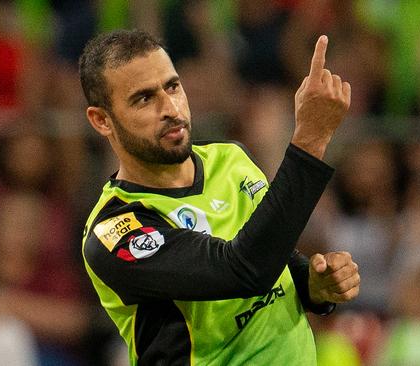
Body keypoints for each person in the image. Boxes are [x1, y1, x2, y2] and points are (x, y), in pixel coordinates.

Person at [79, 29, 359, 365]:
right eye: (143, 98)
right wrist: (311, 141)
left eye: (172, 86)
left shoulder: (231, 158)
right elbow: (242, 271)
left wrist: (312, 283)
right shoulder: (116, 230)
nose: (170, 107)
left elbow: (271, 254)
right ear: (101, 120)